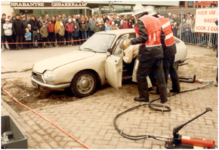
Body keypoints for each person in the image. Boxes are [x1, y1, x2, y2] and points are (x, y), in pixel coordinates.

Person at [130, 4, 167, 103]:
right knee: (160, 75)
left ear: (137, 15)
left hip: (147, 52)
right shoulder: (156, 20)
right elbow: (162, 36)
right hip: (158, 51)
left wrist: (131, 41)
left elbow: (143, 38)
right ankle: (164, 98)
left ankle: (144, 97)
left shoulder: (141, 21)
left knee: (141, 75)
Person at [148, 7, 180, 94]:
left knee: (164, 71)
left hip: (166, 49)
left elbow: (159, 38)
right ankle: (177, 88)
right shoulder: (164, 19)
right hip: (172, 46)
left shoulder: (156, 23)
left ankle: (161, 91)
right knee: (172, 69)